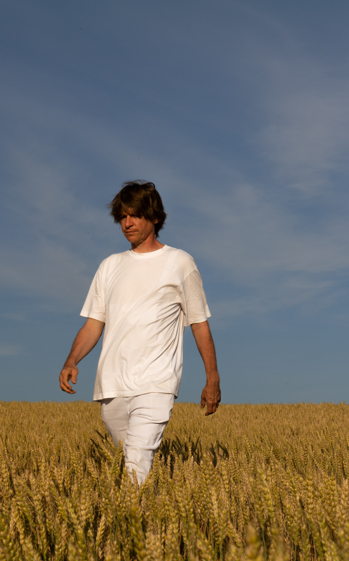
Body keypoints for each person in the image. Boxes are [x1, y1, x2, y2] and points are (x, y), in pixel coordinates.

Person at [59, 180, 221, 483]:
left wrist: (212, 377)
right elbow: (94, 323)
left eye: (134, 215)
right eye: (122, 216)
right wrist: (72, 360)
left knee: (136, 466)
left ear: (155, 217)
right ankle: (152, 519)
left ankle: (136, 522)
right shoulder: (109, 266)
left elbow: (199, 323)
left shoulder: (180, 263)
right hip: (111, 385)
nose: (127, 223)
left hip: (155, 383)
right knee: (133, 466)